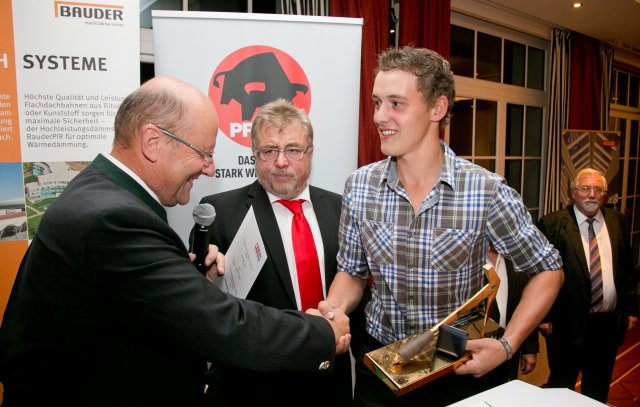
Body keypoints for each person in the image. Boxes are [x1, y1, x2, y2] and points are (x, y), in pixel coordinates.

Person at [0, 77, 350, 407]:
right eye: (203, 152)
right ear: (152, 142)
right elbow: (217, 322)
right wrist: (320, 334)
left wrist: (196, 280)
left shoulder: (102, 195)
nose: (209, 168)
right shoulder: (115, 219)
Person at [321, 46, 564, 406]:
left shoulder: (485, 190)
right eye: (377, 103)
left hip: (455, 367)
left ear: (437, 108)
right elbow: (352, 272)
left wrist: (507, 345)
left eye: (396, 103)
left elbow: (548, 269)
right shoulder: (360, 186)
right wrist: (332, 311)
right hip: (380, 368)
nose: (379, 116)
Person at [193, 99, 354, 406]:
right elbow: (202, 306)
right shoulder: (219, 213)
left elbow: (355, 284)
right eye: (269, 151)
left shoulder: (341, 209)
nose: (281, 161)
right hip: (254, 384)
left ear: (310, 153)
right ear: (254, 155)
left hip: (329, 377)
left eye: (293, 150)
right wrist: (210, 279)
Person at [537, 167, 639, 403]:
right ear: (573, 193)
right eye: (585, 189)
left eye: (597, 189)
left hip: (607, 325)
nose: (592, 194)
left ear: (604, 194)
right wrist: (544, 315)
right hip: (566, 324)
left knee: (598, 388)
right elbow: (540, 273)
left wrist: (631, 309)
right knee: (561, 389)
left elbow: (627, 268)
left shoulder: (617, 221)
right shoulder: (553, 223)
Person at [484, 246, 539, 385]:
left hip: (510, 352)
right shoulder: (465, 258)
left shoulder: (516, 255)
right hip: (476, 356)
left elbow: (527, 302)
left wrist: (529, 348)